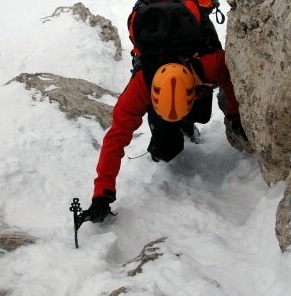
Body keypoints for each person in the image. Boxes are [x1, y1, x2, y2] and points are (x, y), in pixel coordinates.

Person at [84, 51, 249, 222]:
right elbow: (115, 139)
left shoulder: (208, 64)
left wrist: (234, 114)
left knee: (203, 115)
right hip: (160, 85)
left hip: (194, 77)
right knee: (165, 150)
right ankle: (165, 128)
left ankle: (186, 122)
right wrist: (102, 195)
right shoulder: (140, 87)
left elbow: (230, 71)